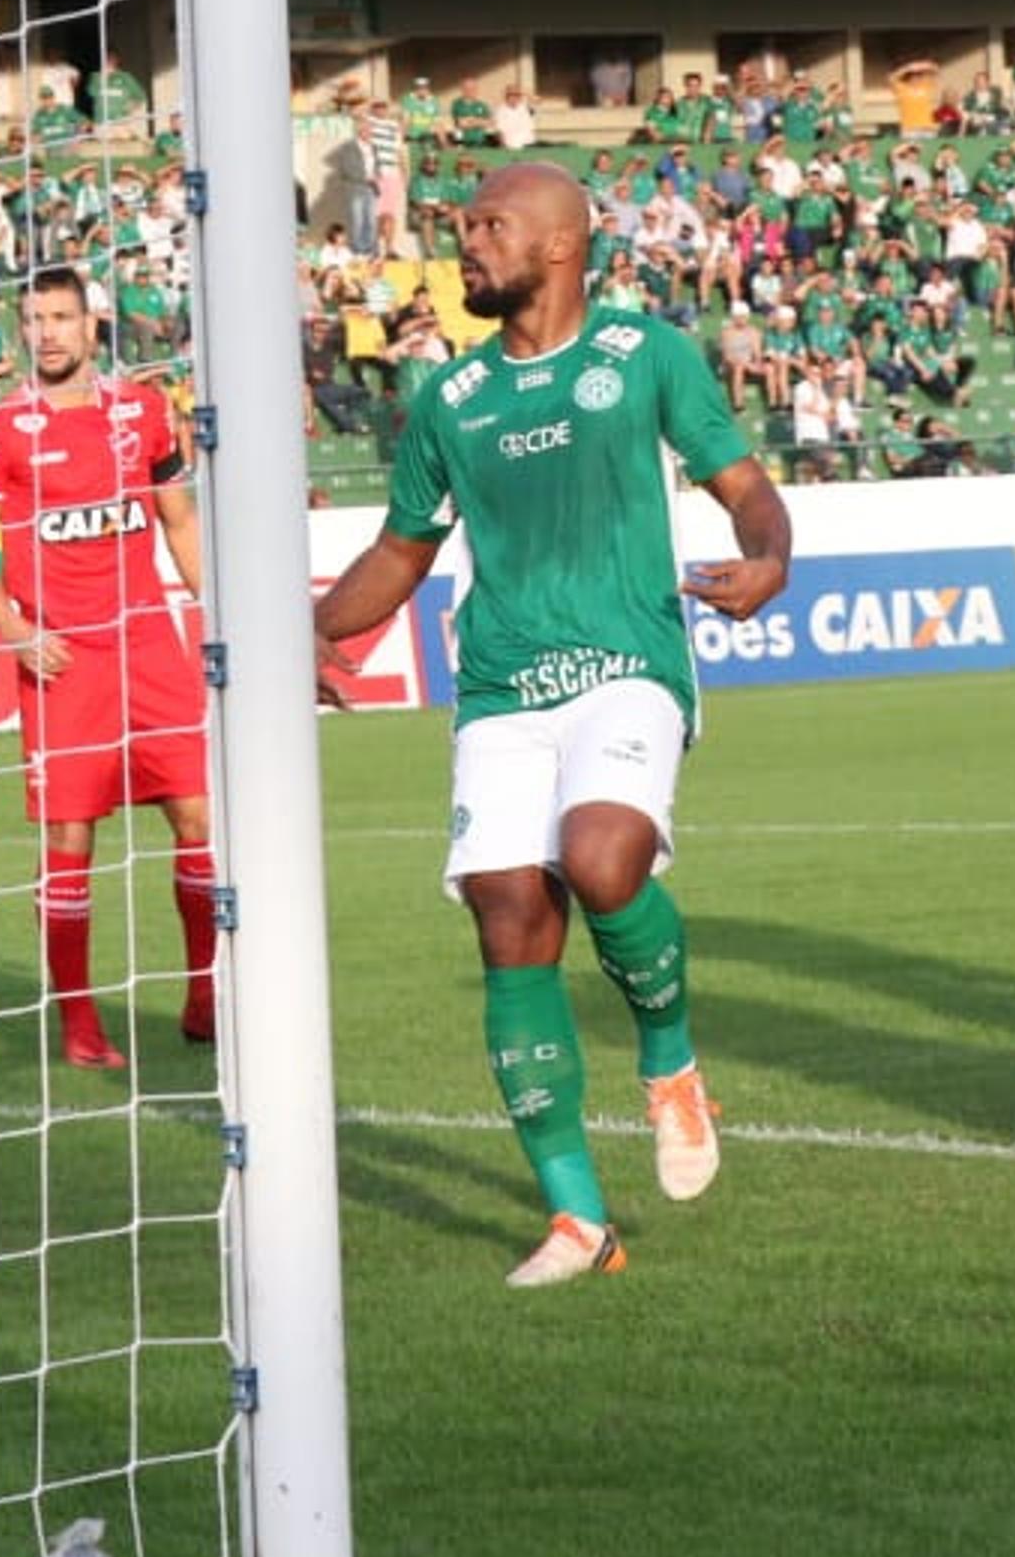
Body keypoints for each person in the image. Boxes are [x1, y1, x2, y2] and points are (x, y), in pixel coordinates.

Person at [311, 162, 792, 1288]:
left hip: (627, 660)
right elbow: (402, 552)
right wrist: (313, 632)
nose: (465, 243)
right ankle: (580, 1220)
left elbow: (745, 484)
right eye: (463, 225)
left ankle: (670, 1065)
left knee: (600, 856)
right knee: (508, 915)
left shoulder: (646, 356)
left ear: (562, 245)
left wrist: (772, 556)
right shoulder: (451, 399)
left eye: (489, 226)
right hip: (500, 688)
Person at [0, 266, 214, 1068]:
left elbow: (179, 521)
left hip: (151, 650)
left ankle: (205, 992)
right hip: (64, 662)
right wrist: (15, 630)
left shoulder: (142, 412)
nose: (49, 331)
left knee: (201, 818)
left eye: (63, 316)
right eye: (34, 319)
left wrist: (220, 611)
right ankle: (79, 1023)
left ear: (92, 326)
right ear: (20, 331)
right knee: (71, 835)